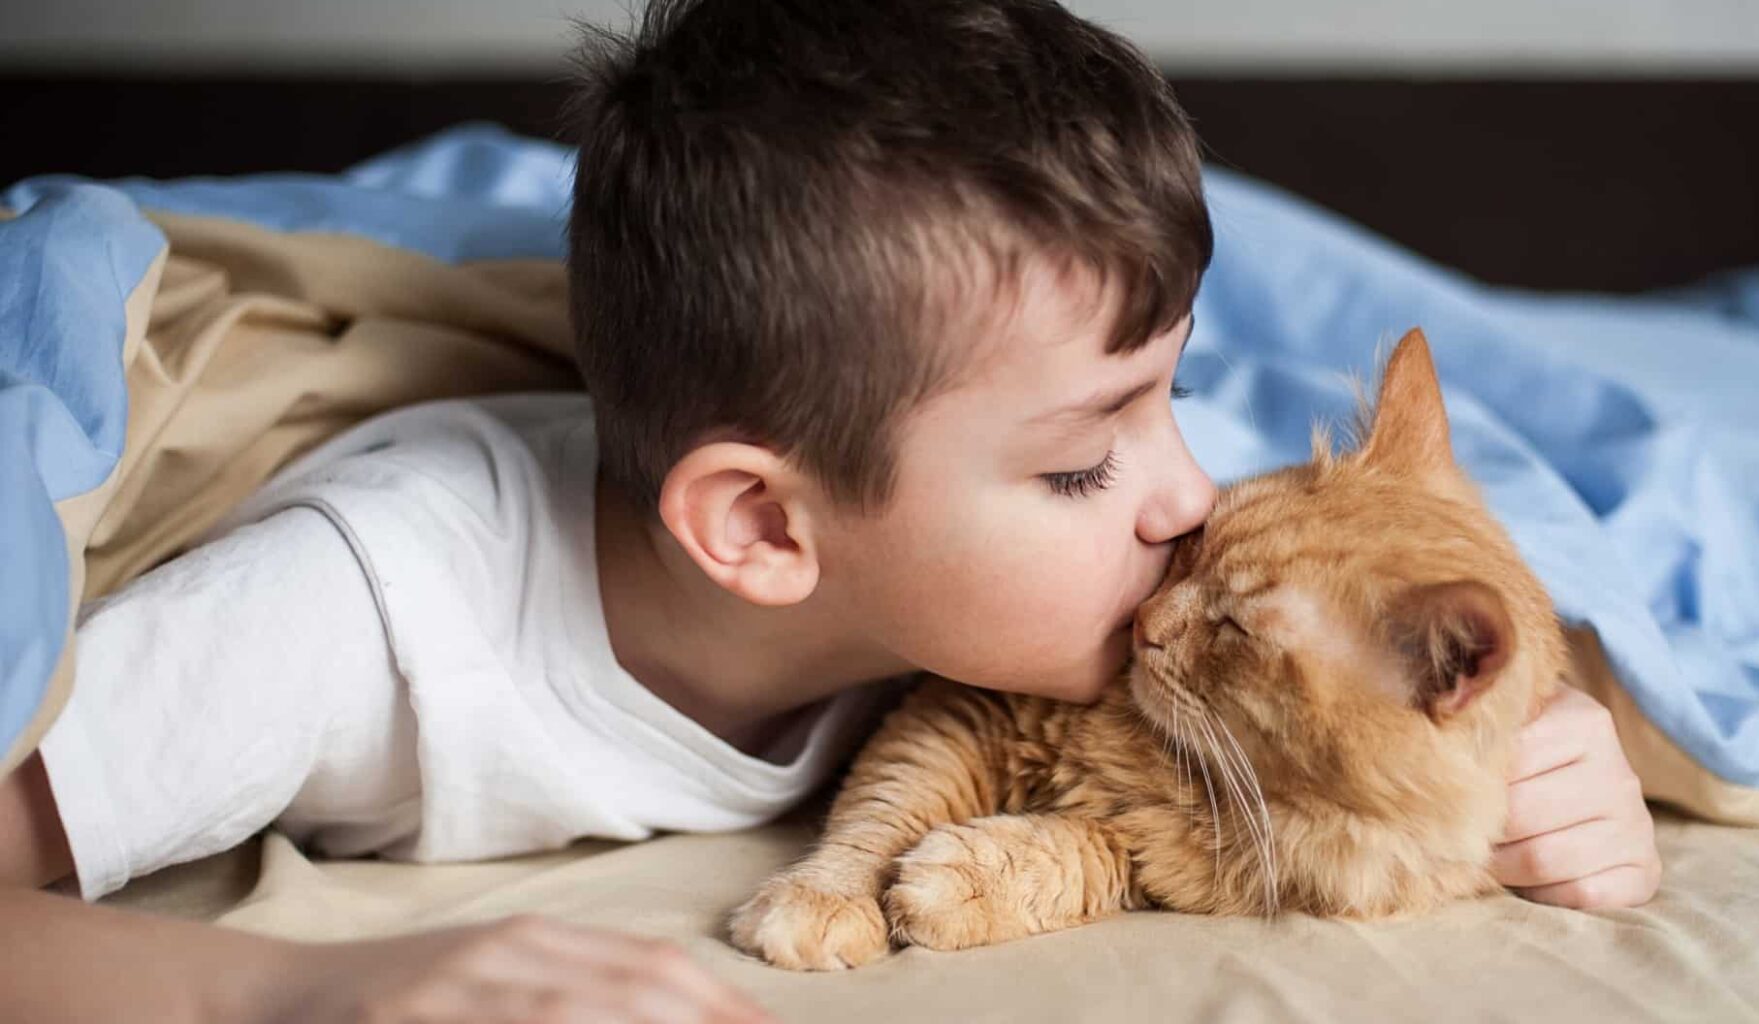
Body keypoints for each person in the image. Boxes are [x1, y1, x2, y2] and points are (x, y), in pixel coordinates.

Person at [0, 1, 1660, 1020]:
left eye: (1171, 395)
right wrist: (293, 999)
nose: (1191, 502)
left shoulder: (1020, 549)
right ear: (767, 532)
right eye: (1089, 455)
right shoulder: (353, 623)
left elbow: (1395, 675)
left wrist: (1540, 758)